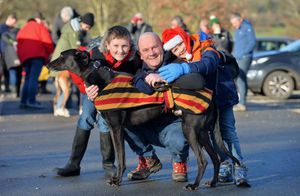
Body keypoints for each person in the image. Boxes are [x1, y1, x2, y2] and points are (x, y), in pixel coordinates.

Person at [86, 32, 190, 182]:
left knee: (178, 140)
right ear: (140, 55)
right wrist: (91, 91)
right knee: (117, 121)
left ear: (162, 47)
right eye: (146, 50)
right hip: (145, 124)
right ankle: (149, 160)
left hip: (171, 124)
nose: (152, 53)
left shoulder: (178, 65)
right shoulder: (136, 69)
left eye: (155, 48)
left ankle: (180, 161)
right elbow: (108, 83)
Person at [158, 27, 249, 186]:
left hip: (222, 97)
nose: (177, 51)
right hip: (205, 103)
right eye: (173, 49)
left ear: (184, 40)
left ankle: (239, 167)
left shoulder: (207, 48)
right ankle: (225, 165)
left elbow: (208, 65)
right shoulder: (179, 58)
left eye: (179, 46)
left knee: (228, 132)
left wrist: (185, 68)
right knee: (214, 135)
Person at [54, 25, 142, 180]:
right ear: (107, 45)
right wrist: (86, 88)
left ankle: (108, 165)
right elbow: (76, 73)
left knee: (105, 122)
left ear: (130, 45)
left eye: (124, 46)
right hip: (92, 92)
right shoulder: (95, 55)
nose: (120, 51)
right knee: (86, 116)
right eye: (115, 46)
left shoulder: (134, 59)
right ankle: (73, 164)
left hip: (116, 98)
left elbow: (138, 79)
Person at [51, 12, 94, 117]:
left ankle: (60, 107)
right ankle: (60, 107)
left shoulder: (72, 28)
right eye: (87, 26)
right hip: (62, 64)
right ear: (82, 23)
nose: (87, 29)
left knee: (61, 89)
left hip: (60, 62)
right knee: (66, 89)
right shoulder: (73, 32)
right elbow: (75, 49)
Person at [17, 12, 54, 109]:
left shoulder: (23, 29)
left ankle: (24, 101)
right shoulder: (39, 27)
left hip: (25, 57)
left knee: (27, 79)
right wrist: (49, 52)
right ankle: (31, 101)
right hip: (37, 56)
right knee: (33, 79)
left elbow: (18, 44)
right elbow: (48, 41)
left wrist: (21, 59)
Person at [230, 12, 256, 112]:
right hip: (238, 57)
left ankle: (242, 104)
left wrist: (244, 53)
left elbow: (252, 42)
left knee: (239, 77)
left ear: (239, 19)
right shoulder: (238, 29)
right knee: (240, 78)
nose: (233, 25)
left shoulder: (247, 27)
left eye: (234, 23)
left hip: (245, 57)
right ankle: (242, 101)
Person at [1, 26, 21, 97]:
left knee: (12, 74)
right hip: (20, 56)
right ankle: (17, 92)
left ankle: (14, 91)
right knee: (19, 75)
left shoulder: (5, 34)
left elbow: (5, 41)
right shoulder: (20, 33)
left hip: (10, 57)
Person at [0, 14, 18, 94]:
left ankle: (7, 87)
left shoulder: (12, 28)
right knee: (1, 70)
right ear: (10, 19)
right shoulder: (2, 28)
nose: (14, 24)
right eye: (13, 22)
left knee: (7, 70)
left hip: (9, 53)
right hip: (2, 52)